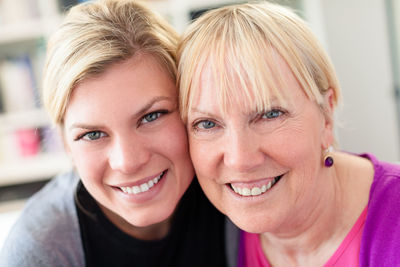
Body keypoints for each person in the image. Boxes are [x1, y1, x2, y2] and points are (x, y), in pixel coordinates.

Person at [0, 1, 228, 266]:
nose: (128, 162)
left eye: (151, 116)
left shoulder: (238, 187)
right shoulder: (41, 252)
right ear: (65, 145)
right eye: (93, 134)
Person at [177, 2, 400, 266]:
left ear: (326, 115)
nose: (240, 160)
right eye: (207, 124)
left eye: (271, 114)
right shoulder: (211, 230)